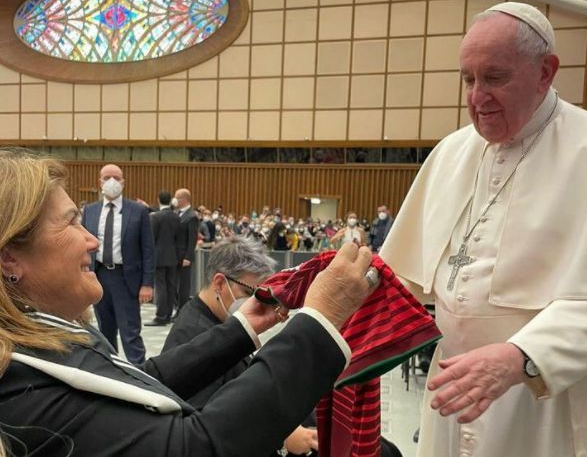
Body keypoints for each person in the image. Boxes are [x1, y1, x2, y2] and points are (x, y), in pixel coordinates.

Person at [0, 147, 377, 457]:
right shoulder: (23, 385)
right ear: (10, 257)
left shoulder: (42, 337)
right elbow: (195, 447)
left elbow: (140, 380)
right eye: (70, 224)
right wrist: (318, 320)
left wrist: (242, 329)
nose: (92, 240)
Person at [381, 2, 587, 457]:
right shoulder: (451, 152)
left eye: (494, 78)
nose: (476, 97)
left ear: (545, 72)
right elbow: (401, 275)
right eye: (468, 79)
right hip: (453, 388)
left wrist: (522, 358)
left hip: (549, 400)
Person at [162, 237, 320, 456]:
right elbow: (201, 429)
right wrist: (281, 438)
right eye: (249, 293)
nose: (257, 303)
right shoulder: (191, 335)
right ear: (219, 283)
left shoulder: (216, 320)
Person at [82, 163, 155, 365]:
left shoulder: (138, 211)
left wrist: (147, 283)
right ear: (100, 182)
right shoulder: (90, 211)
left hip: (126, 279)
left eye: (116, 177)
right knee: (105, 331)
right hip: (99, 276)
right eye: (106, 177)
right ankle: (111, 372)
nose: (111, 181)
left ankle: (140, 373)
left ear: (123, 182)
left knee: (130, 332)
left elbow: (148, 250)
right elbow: (82, 246)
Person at [145, 190, 181, 326]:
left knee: (160, 286)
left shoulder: (155, 217)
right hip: (173, 256)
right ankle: (168, 315)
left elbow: (151, 238)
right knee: (171, 286)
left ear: (158, 200)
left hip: (159, 257)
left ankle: (160, 316)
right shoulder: (176, 217)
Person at [173, 188, 199, 314]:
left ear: (184, 199)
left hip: (184, 256)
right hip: (175, 256)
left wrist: (188, 257)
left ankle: (182, 310)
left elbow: (192, 238)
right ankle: (177, 308)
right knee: (175, 284)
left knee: (183, 286)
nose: (175, 200)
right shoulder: (178, 213)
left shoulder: (192, 216)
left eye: (177, 197)